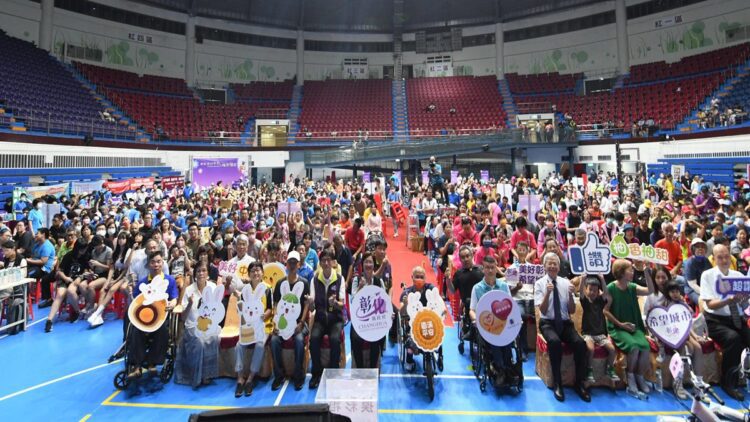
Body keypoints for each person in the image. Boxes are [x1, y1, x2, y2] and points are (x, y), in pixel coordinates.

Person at [534, 253, 589, 402]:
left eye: (555, 264)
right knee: (554, 342)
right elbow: (542, 310)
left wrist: (571, 295)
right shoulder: (539, 283)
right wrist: (548, 293)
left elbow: (572, 310)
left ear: (559, 267)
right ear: (544, 266)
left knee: (580, 343)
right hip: (547, 322)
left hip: (565, 322)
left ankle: (579, 383)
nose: (552, 266)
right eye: (550, 263)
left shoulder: (565, 283)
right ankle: (558, 383)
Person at [700, 244, 750, 400]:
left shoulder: (738, 276)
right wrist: (728, 300)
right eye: (720, 257)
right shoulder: (707, 275)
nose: (724, 260)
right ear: (714, 259)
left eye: (727, 256)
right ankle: (728, 382)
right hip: (715, 320)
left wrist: (744, 299)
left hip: (736, 318)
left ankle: (744, 374)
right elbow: (709, 304)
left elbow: (745, 304)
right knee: (733, 338)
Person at [126, 251, 178, 379]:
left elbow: (174, 298)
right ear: (148, 265)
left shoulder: (169, 280)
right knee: (135, 330)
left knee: (162, 331)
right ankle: (136, 366)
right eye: (153, 262)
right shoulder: (143, 283)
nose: (156, 264)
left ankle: (152, 363)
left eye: (159, 261)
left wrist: (172, 304)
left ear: (163, 263)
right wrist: (130, 293)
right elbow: (136, 302)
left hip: (161, 317)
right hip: (145, 318)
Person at [469, 255, 519, 388]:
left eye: (492, 267)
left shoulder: (503, 286)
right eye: (487, 268)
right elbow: (472, 310)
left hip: (503, 323)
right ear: (483, 269)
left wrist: (516, 320)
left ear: (496, 268)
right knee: (495, 339)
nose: (490, 270)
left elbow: (511, 306)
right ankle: (501, 370)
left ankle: (507, 367)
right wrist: (475, 320)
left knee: (507, 338)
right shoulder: (477, 288)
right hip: (486, 325)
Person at [604, 259, 651, 399]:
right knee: (634, 347)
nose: (632, 271)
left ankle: (639, 376)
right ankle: (630, 377)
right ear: (621, 272)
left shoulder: (632, 287)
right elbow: (605, 311)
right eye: (630, 269)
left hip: (633, 327)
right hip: (618, 328)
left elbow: (650, 290)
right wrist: (620, 324)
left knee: (645, 347)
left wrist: (647, 272)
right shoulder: (611, 287)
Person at [174, 261, 220, 388]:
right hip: (192, 326)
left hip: (209, 324)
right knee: (199, 341)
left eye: (204, 270)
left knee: (214, 337)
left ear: (208, 273)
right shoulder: (189, 290)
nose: (201, 273)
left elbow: (217, 309)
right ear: (195, 274)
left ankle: (208, 374)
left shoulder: (213, 287)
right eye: (198, 271)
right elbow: (183, 318)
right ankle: (197, 377)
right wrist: (189, 303)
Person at [270, 251, 311, 391]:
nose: (292, 265)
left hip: (299, 324)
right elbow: (276, 304)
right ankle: (279, 375)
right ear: (286, 264)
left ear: (299, 265)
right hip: (282, 323)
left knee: (299, 340)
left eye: (295, 262)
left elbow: (306, 305)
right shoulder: (280, 283)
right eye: (290, 262)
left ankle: (299, 375)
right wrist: (275, 323)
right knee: (274, 340)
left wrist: (301, 322)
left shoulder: (304, 283)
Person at [308, 249, 346, 389]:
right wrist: (310, 303)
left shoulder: (340, 279)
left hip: (336, 319)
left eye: (328, 260)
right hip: (320, 320)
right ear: (320, 263)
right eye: (323, 260)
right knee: (314, 338)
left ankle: (333, 373)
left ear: (333, 262)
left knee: (335, 339)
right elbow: (312, 307)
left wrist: (334, 303)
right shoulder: (315, 280)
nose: (326, 263)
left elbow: (342, 305)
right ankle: (316, 374)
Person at [234, 261, 272, 397]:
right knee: (239, 345)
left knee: (260, 345)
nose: (256, 273)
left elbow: (270, 309)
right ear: (249, 274)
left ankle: (250, 377)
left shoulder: (267, 289)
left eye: (258, 270)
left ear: (262, 273)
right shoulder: (245, 290)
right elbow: (242, 310)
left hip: (263, 326)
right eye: (253, 271)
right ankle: (240, 378)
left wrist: (263, 316)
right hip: (248, 327)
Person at [399, 266, 442, 372]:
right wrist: (405, 304)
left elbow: (439, 300)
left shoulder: (430, 289)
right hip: (413, 325)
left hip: (429, 323)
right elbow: (401, 312)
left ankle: (440, 354)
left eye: (421, 277)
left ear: (425, 278)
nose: (419, 279)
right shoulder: (406, 293)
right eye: (417, 276)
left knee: (439, 331)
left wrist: (443, 309)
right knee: (410, 342)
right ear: (412, 277)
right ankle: (409, 360)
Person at [348, 252, 385, 368]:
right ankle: (359, 369)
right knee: (355, 338)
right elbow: (353, 301)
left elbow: (384, 302)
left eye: (370, 262)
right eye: (366, 262)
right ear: (362, 264)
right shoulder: (356, 280)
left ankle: (373, 369)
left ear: (374, 265)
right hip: (359, 320)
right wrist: (360, 287)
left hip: (374, 320)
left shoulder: (379, 281)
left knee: (375, 339)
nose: (368, 265)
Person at [578, 275, 618, 383]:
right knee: (591, 349)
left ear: (598, 291)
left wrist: (602, 279)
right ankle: (589, 370)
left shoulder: (600, 301)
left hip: (600, 334)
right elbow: (581, 292)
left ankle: (610, 369)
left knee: (612, 349)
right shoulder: (585, 302)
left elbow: (606, 294)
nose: (592, 292)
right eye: (590, 289)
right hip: (588, 334)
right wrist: (582, 280)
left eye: (595, 290)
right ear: (586, 290)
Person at [29, 228, 57, 309]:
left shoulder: (47, 246)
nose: (35, 235)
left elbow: (43, 261)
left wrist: (28, 260)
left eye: (37, 233)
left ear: (43, 235)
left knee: (27, 275)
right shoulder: (37, 244)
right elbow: (33, 256)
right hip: (34, 266)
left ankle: (27, 296)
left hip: (44, 269)